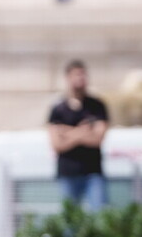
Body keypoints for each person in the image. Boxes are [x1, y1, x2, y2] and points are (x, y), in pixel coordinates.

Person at [47, 60, 111, 211]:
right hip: (68, 172)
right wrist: (82, 131)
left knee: (99, 215)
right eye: (77, 75)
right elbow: (57, 145)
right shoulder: (58, 109)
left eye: (83, 75)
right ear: (68, 78)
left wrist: (67, 132)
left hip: (93, 172)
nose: (81, 79)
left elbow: (98, 139)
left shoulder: (97, 106)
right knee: (69, 221)